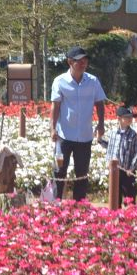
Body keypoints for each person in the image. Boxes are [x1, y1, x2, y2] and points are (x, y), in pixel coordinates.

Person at [49, 46, 107, 201]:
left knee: (82, 174)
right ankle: (56, 205)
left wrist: (101, 124)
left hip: (85, 136)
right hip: (63, 137)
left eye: (85, 60)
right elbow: (55, 106)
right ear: (70, 62)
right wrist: (52, 129)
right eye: (79, 61)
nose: (83, 63)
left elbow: (100, 103)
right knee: (59, 172)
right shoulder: (59, 81)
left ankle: (79, 208)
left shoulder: (93, 81)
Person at [106, 105, 137, 202]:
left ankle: (130, 215)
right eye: (127, 117)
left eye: (131, 117)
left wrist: (132, 168)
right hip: (115, 170)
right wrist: (108, 163)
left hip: (127, 172)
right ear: (119, 118)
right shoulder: (113, 133)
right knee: (115, 197)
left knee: (129, 197)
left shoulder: (133, 135)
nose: (130, 119)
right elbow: (110, 148)